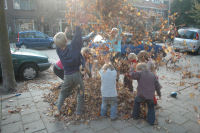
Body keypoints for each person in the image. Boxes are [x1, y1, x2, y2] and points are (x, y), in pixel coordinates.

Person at [53, 24, 84, 116]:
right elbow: (77, 37)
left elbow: (60, 42)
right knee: (80, 92)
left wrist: (64, 33)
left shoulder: (58, 50)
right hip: (76, 75)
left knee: (63, 92)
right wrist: (78, 26)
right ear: (66, 39)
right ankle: (78, 112)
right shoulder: (73, 47)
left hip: (67, 75)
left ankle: (57, 109)